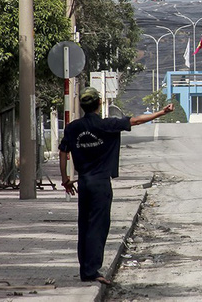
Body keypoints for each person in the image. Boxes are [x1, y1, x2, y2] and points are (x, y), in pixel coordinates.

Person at [58, 87, 173, 285]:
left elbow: (63, 152)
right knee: (98, 226)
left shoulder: (73, 128)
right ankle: (92, 270)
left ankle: (85, 269)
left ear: (82, 105)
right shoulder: (107, 125)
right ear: (99, 104)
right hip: (101, 183)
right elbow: (135, 121)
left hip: (84, 182)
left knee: (84, 226)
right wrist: (162, 112)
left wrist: (66, 179)